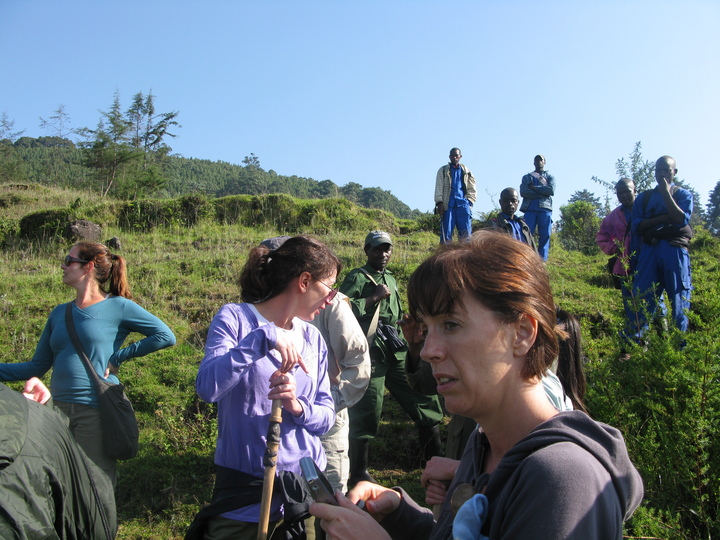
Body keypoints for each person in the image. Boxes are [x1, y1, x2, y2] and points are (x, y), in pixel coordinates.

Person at [312, 231, 643, 540]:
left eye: (451, 324)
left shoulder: (561, 478)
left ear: (521, 334)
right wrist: (402, 516)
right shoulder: (482, 446)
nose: (428, 351)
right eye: (427, 328)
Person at [192, 236, 339, 539]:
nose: (331, 299)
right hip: (245, 502)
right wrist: (262, 338)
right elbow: (208, 388)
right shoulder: (236, 319)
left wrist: (297, 406)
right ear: (304, 281)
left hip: (303, 498)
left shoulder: (313, 338)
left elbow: (327, 418)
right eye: (330, 288)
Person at [0, 241, 176, 485]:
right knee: (60, 486)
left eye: (69, 260)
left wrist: (117, 358)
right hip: (55, 413)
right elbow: (37, 367)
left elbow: (165, 336)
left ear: (88, 266)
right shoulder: (59, 313)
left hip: (94, 412)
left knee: (95, 485)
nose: (63, 266)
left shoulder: (119, 306)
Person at [261, 236, 372, 494]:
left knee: (327, 495)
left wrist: (328, 403)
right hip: (277, 421)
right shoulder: (258, 308)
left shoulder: (330, 303)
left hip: (325, 426)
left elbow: (358, 364)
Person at [340, 231, 444, 487]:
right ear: (367, 251)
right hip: (370, 352)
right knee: (367, 407)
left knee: (422, 397)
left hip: (395, 348)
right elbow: (340, 309)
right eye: (377, 249)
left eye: (386, 249)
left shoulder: (391, 278)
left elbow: (394, 312)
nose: (383, 254)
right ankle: (359, 472)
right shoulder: (357, 276)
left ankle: (433, 458)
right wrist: (372, 298)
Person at [0, 380, 117, 539]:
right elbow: (94, 510)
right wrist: (44, 417)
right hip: (46, 423)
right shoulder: (38, 420)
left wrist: (44, 416)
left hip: (87, 412)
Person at [631, 156, 693, 337]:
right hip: (649, 252)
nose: (662, 174)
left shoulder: (683, 195)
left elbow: (681, 220)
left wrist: (666, 193)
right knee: (642, 301)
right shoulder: (643, 198)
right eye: (658, 170)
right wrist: (665, 219)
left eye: (666, 170)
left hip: (674, 252)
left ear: (674, 172)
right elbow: (637, 226)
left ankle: (679, 345)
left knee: (679, 301)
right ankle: (637, 345)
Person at [596, 178, 640, 345]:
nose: (624, 195)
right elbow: (601, 237)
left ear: (634, 190)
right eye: (620, 193)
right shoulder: (613, 216)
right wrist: (616, 248)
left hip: (647, 262)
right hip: (625, 266)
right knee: (630, 305)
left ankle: (661, 337)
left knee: (654, 301)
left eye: (627, 191)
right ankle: (633, 343)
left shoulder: (644, 209)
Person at [434, 148, 477, 243]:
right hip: (448, 205)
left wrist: (469, 202)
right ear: (449, 157)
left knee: (466, 235)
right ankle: (445, 252)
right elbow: (438, 186)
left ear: (460, 157)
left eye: (456, 156)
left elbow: (472, 188)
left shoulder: (466, 171)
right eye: (452, 155)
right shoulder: (443, 170)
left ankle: (466, 252)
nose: (454, 157)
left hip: (463, 205)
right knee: (446, 234)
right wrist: (439, 202)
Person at [520, 154, 555, 260]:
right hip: (530, 208)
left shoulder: (550, 177)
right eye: (537, 160)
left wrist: (534, 188)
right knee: (526, 233)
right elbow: (524, 192)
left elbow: (551, 190)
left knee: (545, 234)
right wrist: (541, 193)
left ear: (544, 162)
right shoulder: (527, 177)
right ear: (534, 162)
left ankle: (542, 259)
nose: (539, 162)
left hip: (545, 209)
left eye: (541, 160)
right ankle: (526, 257)